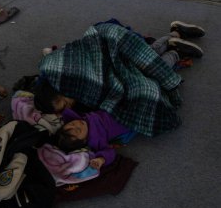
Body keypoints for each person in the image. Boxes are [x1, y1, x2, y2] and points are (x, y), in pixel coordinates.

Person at [35, 20, 206, 137]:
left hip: (108, 41)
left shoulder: (58, 72)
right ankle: (175, 35)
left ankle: (175, 52)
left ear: (56, 89)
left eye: (64, 103)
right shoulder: (53, 73)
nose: (69, 105)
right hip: (107, 37)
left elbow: (99, 82)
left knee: (145, 77)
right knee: (144, 63)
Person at [55, 108, 130, 170]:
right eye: (78, 130)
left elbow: (67, 113)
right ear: (83, 141)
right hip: (124, 119)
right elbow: (109, 152)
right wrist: (101, 159)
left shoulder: (80, 119)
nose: (78, 124)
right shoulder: (95, 140)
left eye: (72, 123)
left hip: (112, 108)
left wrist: (61, 112)